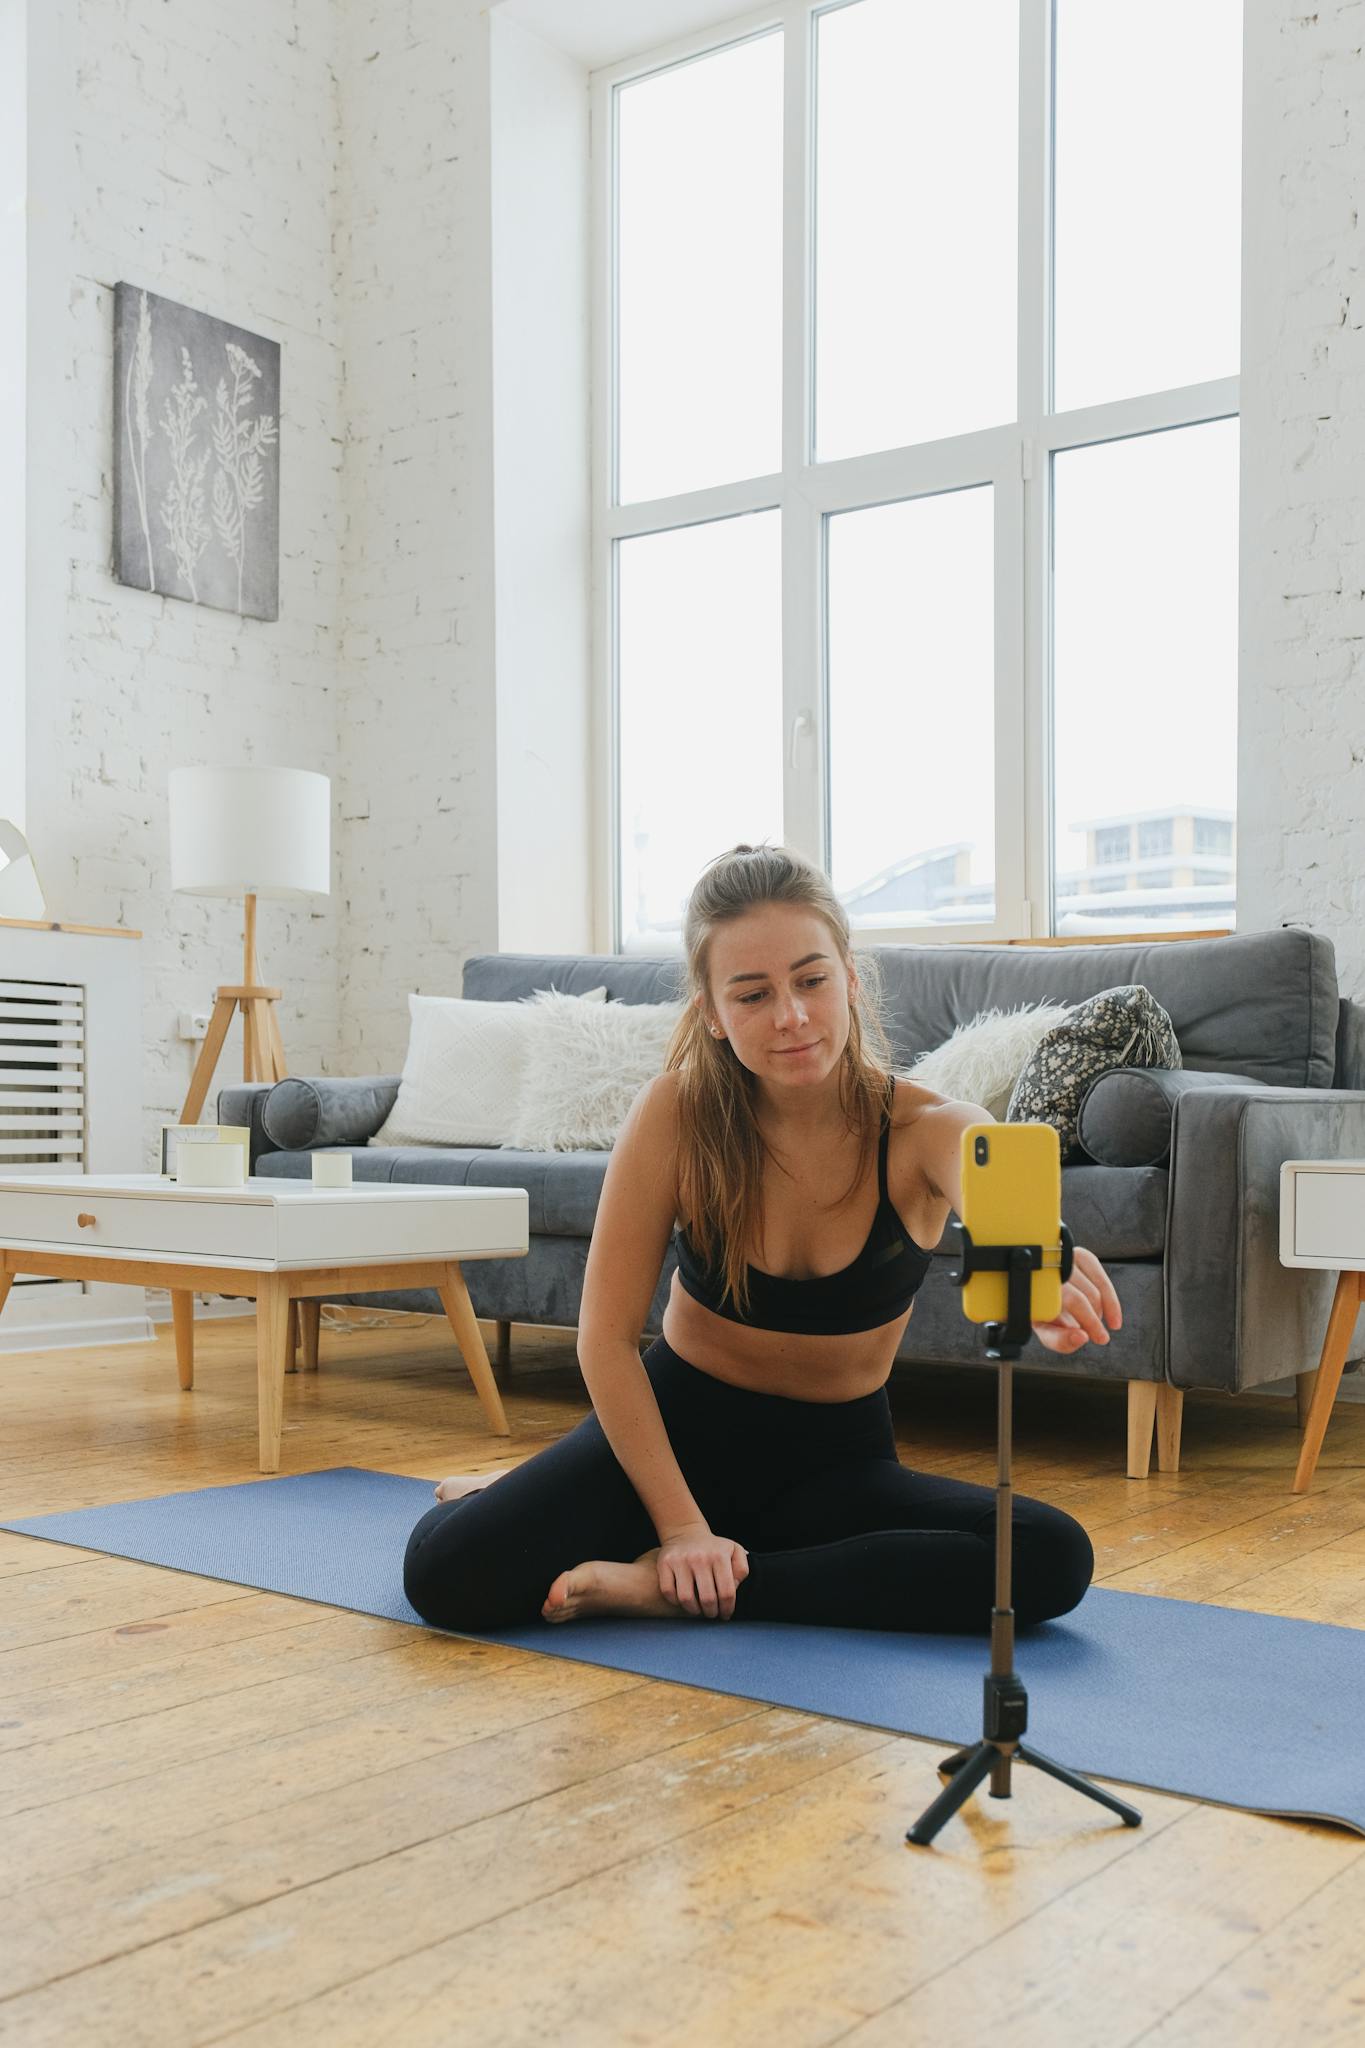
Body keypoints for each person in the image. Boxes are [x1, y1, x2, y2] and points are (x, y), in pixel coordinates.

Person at [403, 844, 1121, 1637]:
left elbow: (995, 1183)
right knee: (444, 1573)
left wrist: (1040, 1257)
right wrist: (681, 1527)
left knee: (1051, 1556)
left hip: (833, 1467)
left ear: (848, 976)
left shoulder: (925, 1129)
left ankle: (680, 1588)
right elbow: (604, 1342)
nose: (791, 1016)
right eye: (751, 994)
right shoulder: (674, 1114)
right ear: (711, 1011)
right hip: (671, 1437)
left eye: (811, 980)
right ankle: (608, 1517)